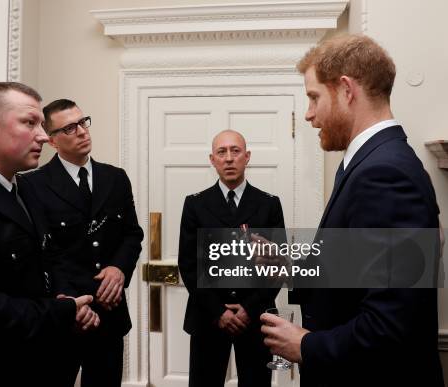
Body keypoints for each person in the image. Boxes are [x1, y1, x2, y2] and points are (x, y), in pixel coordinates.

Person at [260, 35, 445, 386]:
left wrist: (306, 345)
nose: (310, 115)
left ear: (346, 90)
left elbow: (390, 325)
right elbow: (358, 272)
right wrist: (288, 269)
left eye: (314, 97)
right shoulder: (368, 163)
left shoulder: (384, 173)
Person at [0, 83, 98, 385]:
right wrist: (61, 310)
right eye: (29, 122)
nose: (43, 136)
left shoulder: (26, 189)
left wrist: (70, 299)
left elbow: (49, 256)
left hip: (43, 358)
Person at [20, 99, 144, 387]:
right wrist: (70, 300)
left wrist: (118, 269)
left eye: (83, 122)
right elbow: (43, 252)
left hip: (110, 313)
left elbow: (132, 234)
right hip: (65, 313)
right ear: (52, 140)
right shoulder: (33, 185)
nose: (82, 131)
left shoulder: (115, 178)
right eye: (70, 128)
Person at [178, 130, 284, 387]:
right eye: (221, 152)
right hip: (208, 317)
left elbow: (278, 267)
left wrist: (248, 308)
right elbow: (189, 265)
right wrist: (219, 312)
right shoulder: (195, 204)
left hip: (256, 317)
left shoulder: (268, 204)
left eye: (235, 151)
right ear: (212, 159)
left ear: (247, 157)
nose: (228, 158)